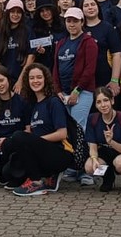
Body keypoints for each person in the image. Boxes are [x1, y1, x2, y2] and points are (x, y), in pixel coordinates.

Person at [6, 64, 74, 196]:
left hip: (60, 153)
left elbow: (62, 133)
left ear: (46, 79)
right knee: (9, 171)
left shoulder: (53, 102)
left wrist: (34, 141)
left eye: (39, 77)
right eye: (31, 78)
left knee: (19, 136)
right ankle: (49, 176)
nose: (35, 81)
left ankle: (36, 183)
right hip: (42, 153)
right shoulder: (34, 105)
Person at [51, 7, 97, 137]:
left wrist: (77, 91)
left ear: (82, 22)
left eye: (75, 21)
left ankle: (82, 156)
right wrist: (58, 90)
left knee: (78, 128)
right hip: (63, 93)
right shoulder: (61, 43)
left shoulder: (89, 42)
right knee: (66, 129)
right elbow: (56, 67)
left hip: (83, 92)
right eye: (68, 21)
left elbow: (90, 69)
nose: (71, 24)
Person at [84, 86, 121, 194]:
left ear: (112, 100)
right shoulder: (92, 119)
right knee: (89, 166)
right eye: (99, 102)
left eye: (105, 100)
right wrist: (94, 159)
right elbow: (93, 145)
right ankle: (108, 179)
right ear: (95, 104)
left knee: (120, 163)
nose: (103, 105)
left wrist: (111, 142)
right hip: (105, 154)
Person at [81, 0, 121, 94]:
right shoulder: (79, 29)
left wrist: (114, 80)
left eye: (93, 4)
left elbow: (117, 54)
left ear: (98, 7)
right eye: (86, 5)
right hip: (84, 80)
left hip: (105, 77)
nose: (90, 7)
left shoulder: (107, 28)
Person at [0, 0, 33, 82]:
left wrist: (21, 80)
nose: (15, 15)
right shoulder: (0, 33)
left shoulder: (28, 31)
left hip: (21, 78)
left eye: (19, 12)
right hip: (4, 79)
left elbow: (31, 57)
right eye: (12, 12)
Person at [29, 0, 59, 71]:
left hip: (61, 67)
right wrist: (41, 52)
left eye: (47, 9)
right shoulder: (35, 29)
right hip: (43, 69)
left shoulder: (62, 26)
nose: (45, 13)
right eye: (42, 11)